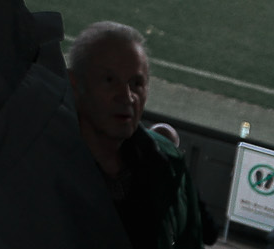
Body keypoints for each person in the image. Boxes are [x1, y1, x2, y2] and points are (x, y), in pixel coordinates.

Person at [69, 22, 203, 249]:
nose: (127, 96)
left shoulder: (169, 163)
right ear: (74, 85)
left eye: (136, 83)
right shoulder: (42, 163)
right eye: (109, 80)